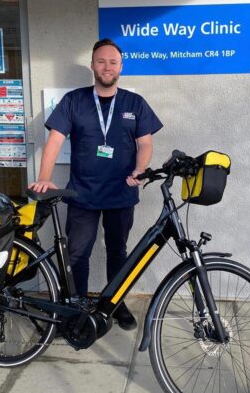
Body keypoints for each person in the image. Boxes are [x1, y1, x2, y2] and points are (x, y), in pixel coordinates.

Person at [29, 38, 163, 330]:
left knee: (118, 252)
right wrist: (44, 177)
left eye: (112, 62)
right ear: (92, 65)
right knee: (77, 254)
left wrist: (140, 170)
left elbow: (146, 143)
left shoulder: (134, 103)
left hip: (121, 193)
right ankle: (75, 308)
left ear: (121, 67)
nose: (106, 67)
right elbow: (54, 141)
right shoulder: (74, 101)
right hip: (82, 195)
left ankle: (115, 303)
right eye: (101, 61)